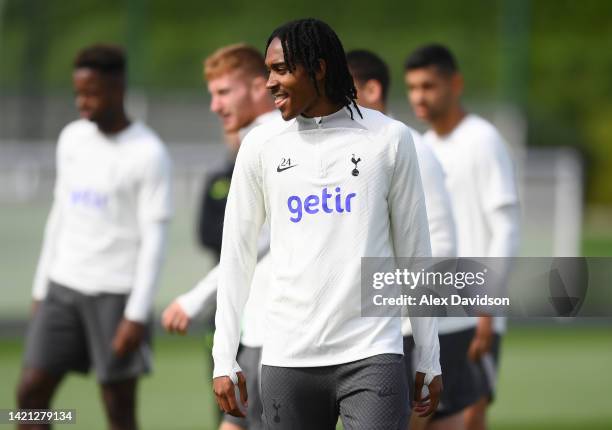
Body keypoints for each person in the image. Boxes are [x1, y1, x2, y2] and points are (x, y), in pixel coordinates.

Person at [212, 19, 442, 430]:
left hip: (373, 353)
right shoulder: (261, 146)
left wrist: (428, 353)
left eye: (281, 70)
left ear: (319, 69)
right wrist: (223, 356)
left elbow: (415, 252)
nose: (268, 83)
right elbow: (237, 256)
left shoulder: (389, 140)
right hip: (286, 358)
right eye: (268, 71)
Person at [15, 45, 172, 430]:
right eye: (77, 93)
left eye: (92, 94)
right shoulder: (72, 139)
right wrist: (41, 288)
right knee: (29, 393)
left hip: (115, 297)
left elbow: (155, 238)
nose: (82, 103)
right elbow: (60, 215)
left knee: (118, 409)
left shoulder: (148, 153)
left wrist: (136, 314)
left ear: (117, 89)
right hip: (62, 288)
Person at [348, 48, 490, 430]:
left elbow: (441, 242)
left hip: (429, 327)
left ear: (372, 90)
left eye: (342, 90)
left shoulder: (406, 145)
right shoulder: (365, 151)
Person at [404, 44, 520, 430]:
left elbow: (506, 225)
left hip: (476, 311)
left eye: (428, 86)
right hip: (440, 311)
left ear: (456, 84)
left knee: (471, 414)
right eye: (413, 87)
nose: (419, 96)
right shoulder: (423, 146)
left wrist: (488, 303)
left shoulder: (483, 139)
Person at [162, 43, 277, 430]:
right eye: (213, 94)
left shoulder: (272, 142)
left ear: (260, 87)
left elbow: (256, 242)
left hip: (280, 331)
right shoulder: (257, 140)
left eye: (224, 92)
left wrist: (196, 298)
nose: (215, 105)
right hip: (257, 325)